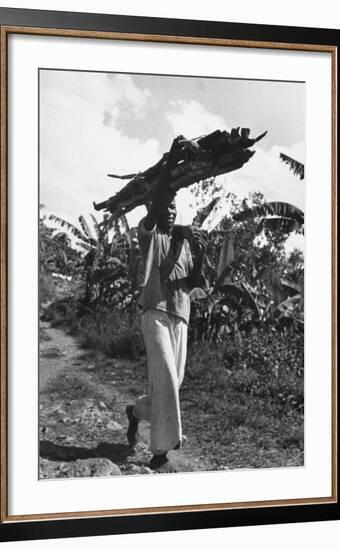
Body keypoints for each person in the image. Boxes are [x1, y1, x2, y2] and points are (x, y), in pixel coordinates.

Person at [126, 136, 207, 471]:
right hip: (156, 314)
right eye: (165, 210)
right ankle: (160, 452)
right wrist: (173, 159)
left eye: (175, 210)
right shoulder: (150, 235)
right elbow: (159, 197)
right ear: (156, 212)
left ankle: (134, 412)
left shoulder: (184, 243)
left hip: (181, 317)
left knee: (169, 385)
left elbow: (193, 283)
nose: (170, 213)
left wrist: (199, 252)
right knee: (168, 382)